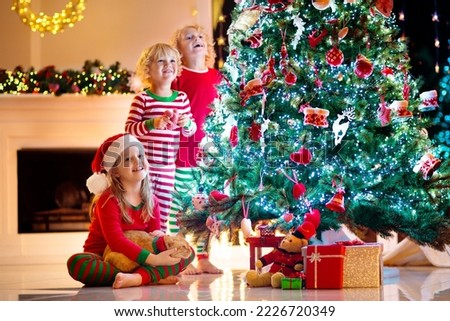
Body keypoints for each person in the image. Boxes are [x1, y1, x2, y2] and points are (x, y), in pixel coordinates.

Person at [66, 133, 195, 288]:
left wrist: (163, 242)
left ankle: (136, 278)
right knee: (77, 264)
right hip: (105, 258)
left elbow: (153, 238)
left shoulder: (152, 201)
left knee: (189, 253)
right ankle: (148, 276)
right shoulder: (108, 200)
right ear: (115, 171)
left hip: (139, 258)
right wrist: (155, 261)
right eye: (128, 159)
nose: (137, 161)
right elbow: (116, 242)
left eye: (140, 155)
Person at [125, 43, 197, 233]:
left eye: (172, 60)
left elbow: (191, 131)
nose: (168, 64)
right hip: (143, 166)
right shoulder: (142, 99)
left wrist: (186, 123)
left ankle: (159, 240)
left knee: (163, 208)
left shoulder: (181, 98)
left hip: (167, 166)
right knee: (143, 205)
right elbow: (129, 130)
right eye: (161, 61)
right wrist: (152, 123)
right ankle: (141, 241)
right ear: (148, 69)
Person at [169, 24, 223, 274]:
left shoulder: (217, 77)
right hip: (182, 151)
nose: (196, 39)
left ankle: (203, 256)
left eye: (200, 36)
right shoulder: (177, 78)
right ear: (179, 50)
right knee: (178, 205)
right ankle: (178, 253)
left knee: (206, 206)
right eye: (188, 37)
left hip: (210, 152)